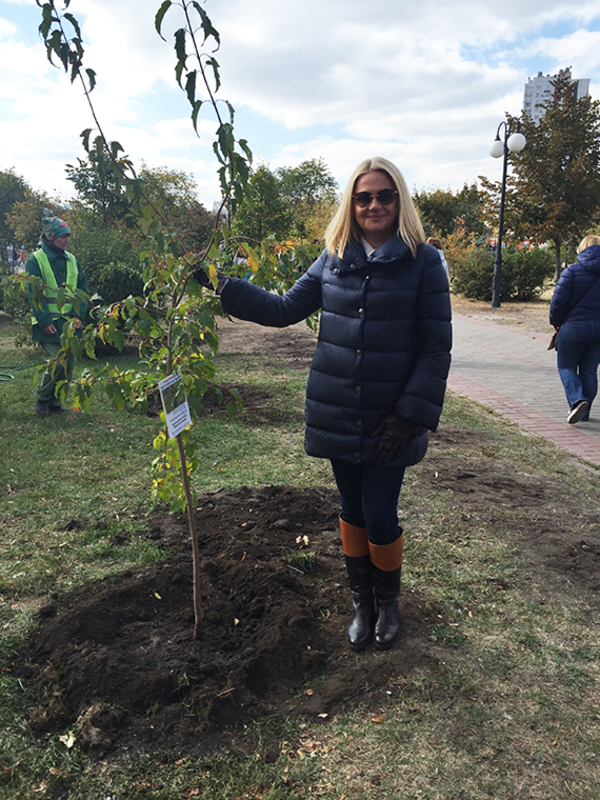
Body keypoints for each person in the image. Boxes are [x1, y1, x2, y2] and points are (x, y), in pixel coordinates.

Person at [196, 157, 452, 651]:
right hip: (336, 409)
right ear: (351, 205)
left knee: (380, 512)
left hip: (390, 417)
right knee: (351, 509)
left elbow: (435, 346)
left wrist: (409, 416)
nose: (373, 205)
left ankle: (389, 602)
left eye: (383, 195)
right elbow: (283, 309)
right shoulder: (333, 256)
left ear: (399, 200)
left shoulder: (424, 262)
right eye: (363, 197)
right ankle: (362, 602)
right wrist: (221, 284)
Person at [26, 217, 89, 417]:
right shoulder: (36, 260)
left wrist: (78, 315)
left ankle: (56, 401)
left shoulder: (72, 260)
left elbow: (82, 290)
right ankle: (42, 398)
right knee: (56, 361)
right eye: (63, 236)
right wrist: (44, 321)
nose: (66, 240)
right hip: (48, 323)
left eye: (68, 236)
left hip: (70, 323)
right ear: (51, 237)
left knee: (68, 364)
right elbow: (34, 293)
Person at [549, 235, 600, 424]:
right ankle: (584, 413)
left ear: (582, 248)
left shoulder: (572, 271)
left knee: (566, 366)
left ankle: (577, 400)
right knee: (589, 369)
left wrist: (554, 322)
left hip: (573, 326)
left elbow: (558, 301)